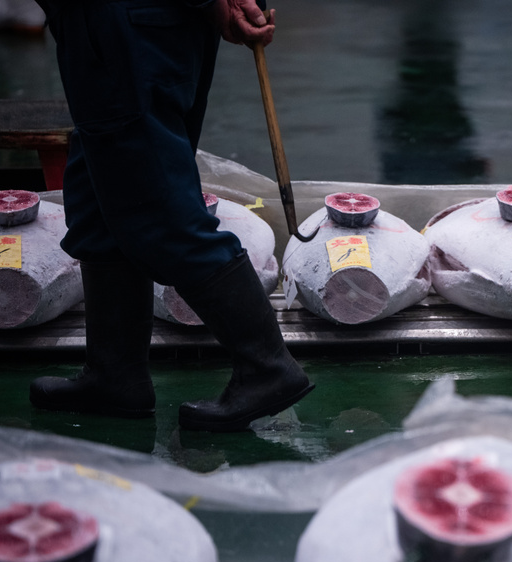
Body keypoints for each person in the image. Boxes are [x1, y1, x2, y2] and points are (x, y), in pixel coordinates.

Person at [29, 0, 314, 431]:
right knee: (103, 190)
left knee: (155, 203)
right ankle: (115, 375)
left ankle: (266, 367)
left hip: (123, 24)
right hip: (150, 22)